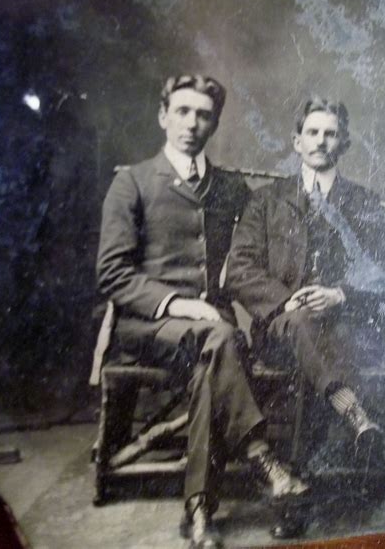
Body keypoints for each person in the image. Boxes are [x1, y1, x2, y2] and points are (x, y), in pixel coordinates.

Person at [97, 74, 308, 549]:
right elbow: (111, 274)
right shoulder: (131, 183)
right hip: (149, 325)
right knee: (221, 340)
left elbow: (269, 228)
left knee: (211, 368)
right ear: (163, 116)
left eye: (204, 115)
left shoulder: (228, 186)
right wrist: (180, 303)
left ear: (214, 124)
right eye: (183, 111)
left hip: (213, 332)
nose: (192, 123)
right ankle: (264, 460)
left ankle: (199, 513)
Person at [226, 97, 385, 469]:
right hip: (280, 331)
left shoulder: (363, 201)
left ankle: (300, 490)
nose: (320, 141)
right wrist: (287, 302)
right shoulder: (266, 201)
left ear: (344, 144)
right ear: (296, 141)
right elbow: (239, 269)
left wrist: (339, 295)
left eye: (331, 134)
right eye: (312, 132)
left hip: (343, 325)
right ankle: (357, 417)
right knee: (304, 325)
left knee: (322, 349)